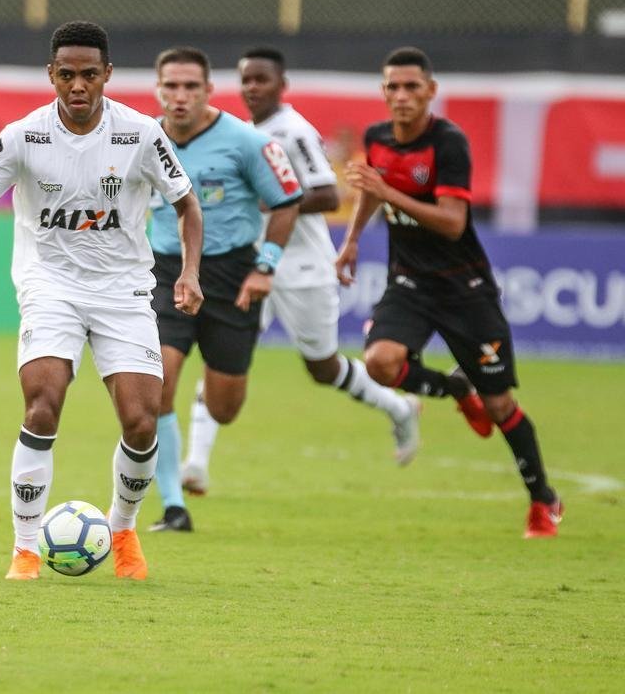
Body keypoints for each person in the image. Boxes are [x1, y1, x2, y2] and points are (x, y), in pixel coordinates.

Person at [0, 21, 204, 580]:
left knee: (141, 422)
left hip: (124, 289)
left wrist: (188, 273)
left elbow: (187, 204)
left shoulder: (140, 133)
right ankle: (24, 548)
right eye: (67, 75)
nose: (78, 86)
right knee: (42, 403)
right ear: (52, 76)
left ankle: (122, 529)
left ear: (107, 75)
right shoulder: (24, 136)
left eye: (90, 74)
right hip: (50, 286)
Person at [337, 46, 563, 538]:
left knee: (500, 406)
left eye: (411, 87)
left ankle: (543, 500)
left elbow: (451, 222)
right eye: (392, 87)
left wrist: (390, 191)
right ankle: (457, 389)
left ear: (431, 91)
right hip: (409, 283)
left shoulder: (448, 144)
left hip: (465, 289)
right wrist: (352, 240)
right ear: (383, 91)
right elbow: (372, 190)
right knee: (380, 361)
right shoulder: (377, 137)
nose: (401, 96)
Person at [231, 48, 421, 462]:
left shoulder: (295, 131)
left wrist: (276, 203)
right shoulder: (243, 132)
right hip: (257, 263)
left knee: (323, 368)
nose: (252, 87)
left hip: (303, 267)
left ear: (282, 86)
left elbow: (328, 195)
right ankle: (191, 472)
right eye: (246, 79)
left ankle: (399, 406)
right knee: (225, 358)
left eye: (261, 79)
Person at [146, 46, 303, 533]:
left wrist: (265, 267)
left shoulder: (245, 141)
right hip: (166, 272)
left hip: (233, 276)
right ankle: (174, 506)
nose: (180, 96)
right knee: (155, 387)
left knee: (224, 408)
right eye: (171, 85)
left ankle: (212, 385)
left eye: (191, 86)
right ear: (158, 89)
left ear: (209, 90)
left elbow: (287, 201)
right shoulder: (141, 139)